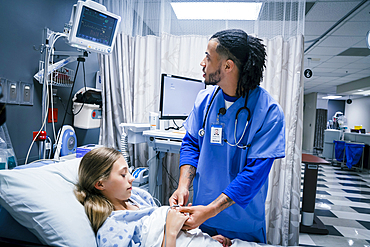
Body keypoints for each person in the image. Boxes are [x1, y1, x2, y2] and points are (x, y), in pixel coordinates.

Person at [169, 29, 286, 243]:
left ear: (228, 66)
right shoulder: (204, 101)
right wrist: (183, 186)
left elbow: (254, 174)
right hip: (202, 218)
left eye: (208, 56)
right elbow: (191, 144)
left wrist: (212, 209)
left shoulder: (269, 112)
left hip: (243, 223)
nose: (202, 63)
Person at [74, 147, 233, 247]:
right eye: (123, 174)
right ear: (100, 184)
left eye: (129, 172)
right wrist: (171, 230)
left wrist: (206, 238)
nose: (132, 178)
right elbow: (165, 233)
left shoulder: (139, 197)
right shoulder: (112, 228)